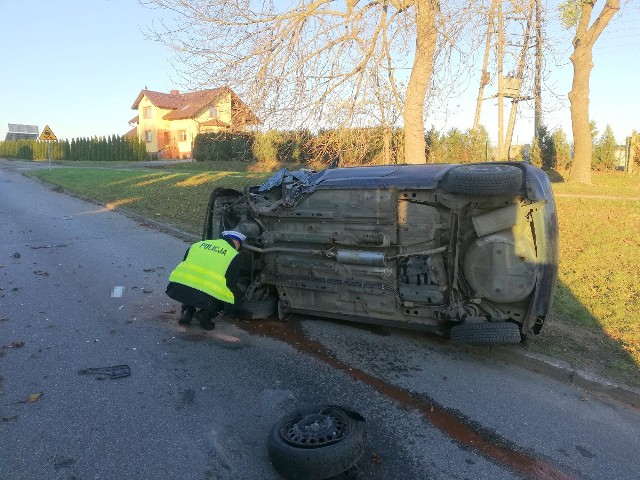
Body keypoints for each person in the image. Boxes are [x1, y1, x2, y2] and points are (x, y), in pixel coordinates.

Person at [165, 230, 246, 330]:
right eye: (239, 246)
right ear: (236, 242)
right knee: (234, 295)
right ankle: (206, 314)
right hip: (205, 291)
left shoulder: (198, 244)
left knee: (193, 285)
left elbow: (186, 262)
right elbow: (231, 283)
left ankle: (187, 311)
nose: (238, 249)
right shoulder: (234, 255)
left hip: (178, 287)